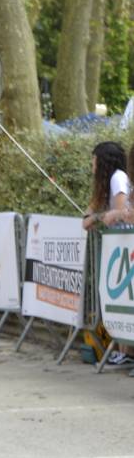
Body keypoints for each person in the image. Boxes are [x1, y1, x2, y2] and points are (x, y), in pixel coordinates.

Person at [82, 142, 132, 364]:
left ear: (102, 162)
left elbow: (120, 212)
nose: (92, 166)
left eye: (94, 161)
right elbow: (87, 219)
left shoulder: (118, 178)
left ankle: (126, 351)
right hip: (118, 248)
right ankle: (124, 351)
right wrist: (98, 216)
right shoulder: (105, 184)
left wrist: (99, 217)